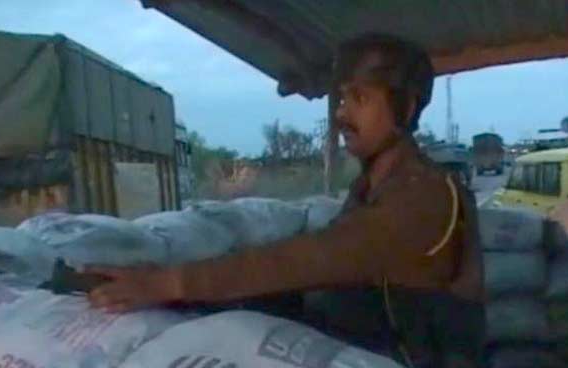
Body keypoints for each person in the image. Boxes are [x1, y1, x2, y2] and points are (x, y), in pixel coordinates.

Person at [83, 33, 486, 368]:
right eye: (341, 100)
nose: (341, 116)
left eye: (359, 99)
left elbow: (314, 259)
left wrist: (171, 282)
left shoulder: (428, 196)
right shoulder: (372, 189)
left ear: (406, 106)